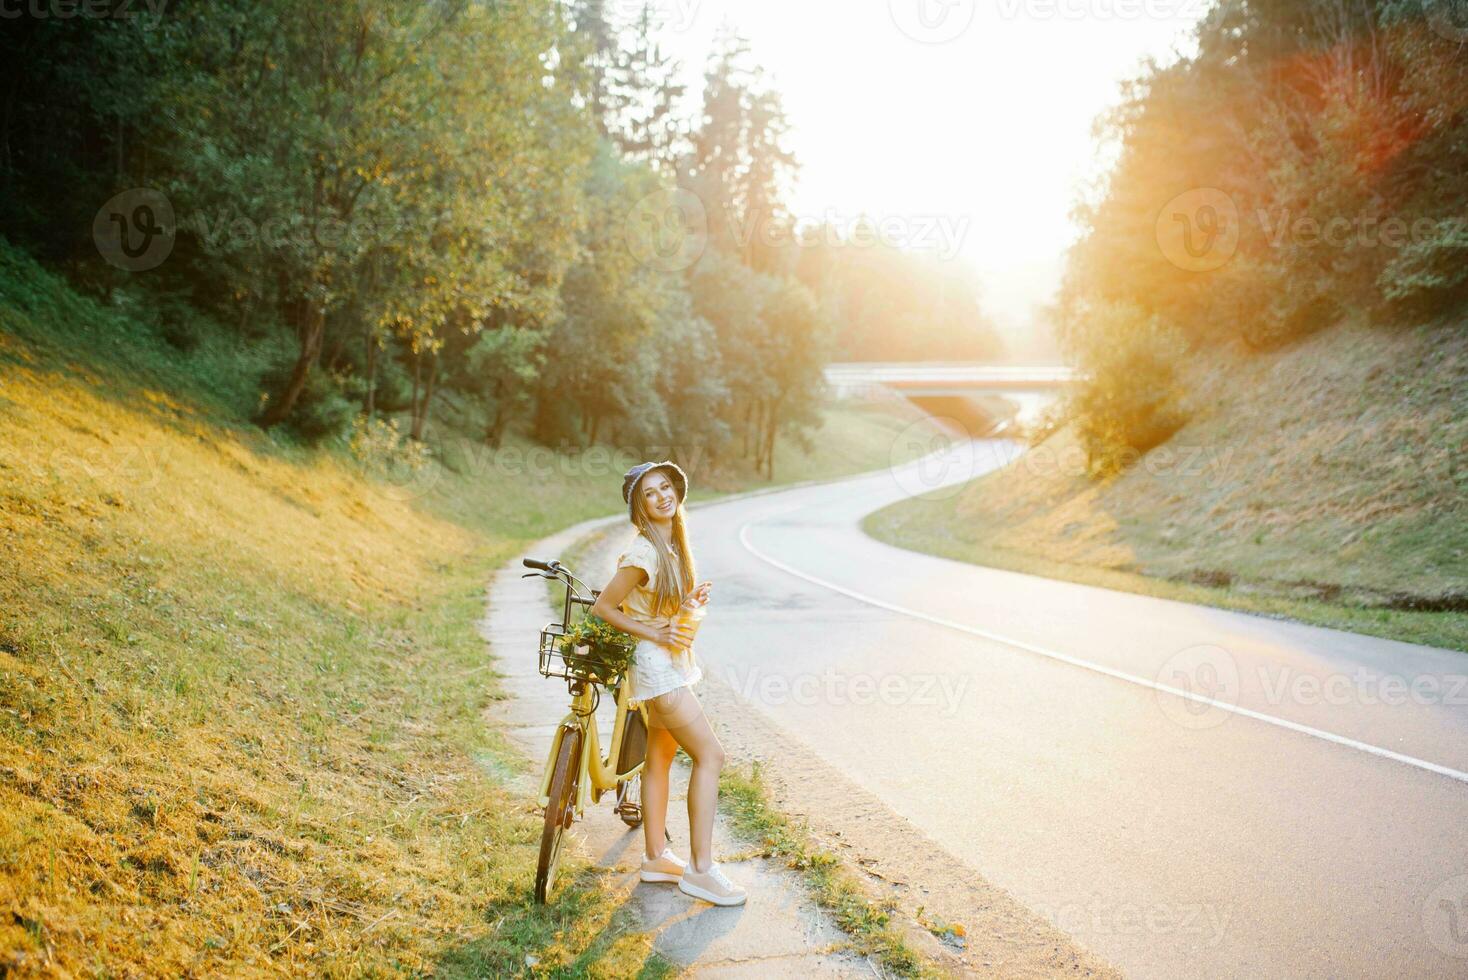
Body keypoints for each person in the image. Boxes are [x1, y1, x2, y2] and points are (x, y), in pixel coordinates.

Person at [589, 460, 747, 907]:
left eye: (666, 487)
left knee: (659, 758)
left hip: (665, 666)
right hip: (656, 670)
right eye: (650, 493)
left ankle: (656, 857)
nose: (662, 496)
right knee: (711, 754)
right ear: (639, 507)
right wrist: (656, 633)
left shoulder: (670, 547)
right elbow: (604, 607)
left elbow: (653, 608)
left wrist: (685, 606)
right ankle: (700, 870)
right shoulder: (643, 554)